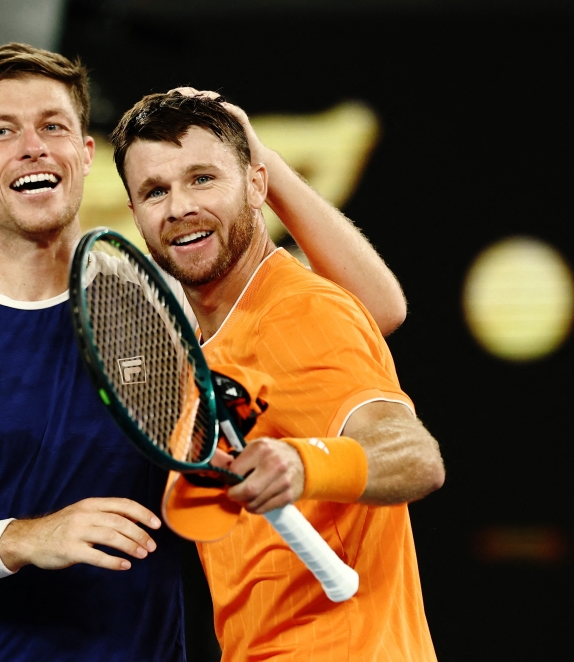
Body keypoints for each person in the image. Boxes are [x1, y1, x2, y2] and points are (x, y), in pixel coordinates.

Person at [0, 43, 409, 661]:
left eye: (53, 126)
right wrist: (28, 539)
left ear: (86, 156)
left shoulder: (170, 314)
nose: (33, 146)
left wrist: (259, 161)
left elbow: (368, 312)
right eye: (3, 131)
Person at [110, 89, 445, 661]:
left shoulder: (301, 314)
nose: (179, 207)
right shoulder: (211, 336)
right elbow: (382, 310)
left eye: (202, 179)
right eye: (155, 191)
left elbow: (416, 457)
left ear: (256, 185)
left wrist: (301, 463)